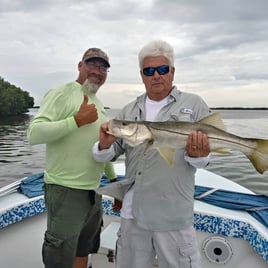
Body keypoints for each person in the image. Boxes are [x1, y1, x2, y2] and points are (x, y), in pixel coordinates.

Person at [92, 40, 213, 268]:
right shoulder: (129, 111)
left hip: (173, 214)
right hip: (132, 212)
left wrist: (198, 155)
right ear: (142, 75)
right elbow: (105, 156)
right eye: (149, 71)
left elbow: (204, 161)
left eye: (162, 69)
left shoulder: (194, 105)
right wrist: (104, 145)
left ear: (173, 72)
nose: (156, 75)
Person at [27, 47, 118, 268]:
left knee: (83, 250)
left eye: (103, 67)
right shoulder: (61, 93)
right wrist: (75, 121)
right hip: (64, 191)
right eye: (92, 64)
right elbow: (34, 134)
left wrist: (114, 183)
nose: (98, 71)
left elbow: (100, 149)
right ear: (80, 66)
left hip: (93, 193)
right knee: (59, 258)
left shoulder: (98, 103)